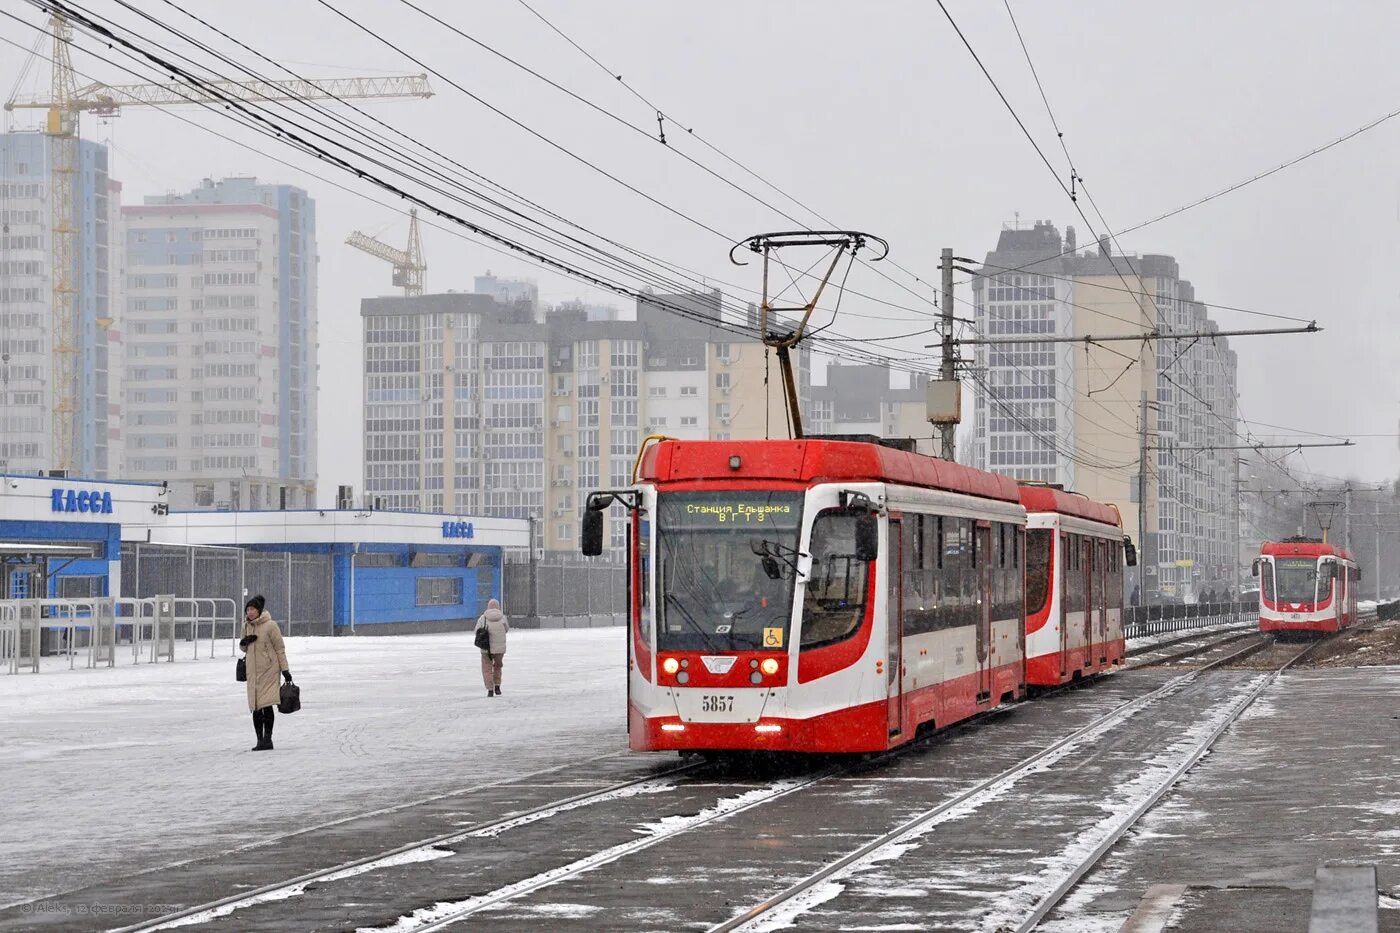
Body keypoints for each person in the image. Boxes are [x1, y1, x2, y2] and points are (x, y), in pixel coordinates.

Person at [238, 595, 291, 750]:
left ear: (259, 610)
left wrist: (285, 670)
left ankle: (268, 739)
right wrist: (244, 642)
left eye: (252, 609)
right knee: (255, 706)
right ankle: (259, 740)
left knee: (266, 705)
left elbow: (279, 648)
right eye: (247, 610)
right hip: (253, 672)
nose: (249, 612)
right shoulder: (246, 626)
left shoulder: (270, 626)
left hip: (269, 671)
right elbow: (243, 648)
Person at [475, 598, 509, 697]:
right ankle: (497, 686)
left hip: (486, 648)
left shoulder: (483, 618)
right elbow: (506, 629)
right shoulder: (502, 618)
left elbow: (476, 631)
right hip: (500, 649)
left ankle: (490, 689)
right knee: (498, 667)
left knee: (487, 669)